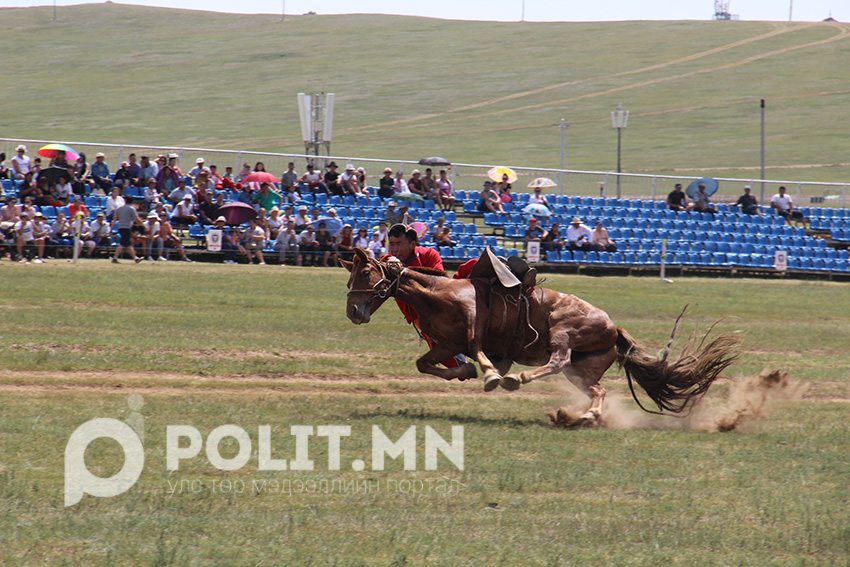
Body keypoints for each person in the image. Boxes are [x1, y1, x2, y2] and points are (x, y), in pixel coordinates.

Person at [383, 223, 464, 369]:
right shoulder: (387, 262)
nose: (394, 249)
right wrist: (390, 262)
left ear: (412, 244)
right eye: (392, 244)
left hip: (442, 310)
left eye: (399, 244)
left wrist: (405, 272)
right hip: (419, 319)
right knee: (453, 365)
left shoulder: (430, 255)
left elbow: (438, 284)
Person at [112, 197, 143, 263]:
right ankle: (115, 258)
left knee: (127, 243)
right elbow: (137, 218)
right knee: (124, 243)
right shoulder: (131, 209)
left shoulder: (119, 209)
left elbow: (114, 220)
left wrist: (111, 229)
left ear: (125, 201)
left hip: (120, 227)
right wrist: (143, 225)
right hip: (126, 227)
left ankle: (135, 258)